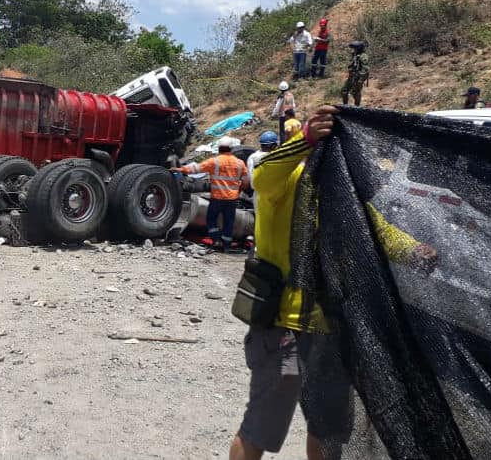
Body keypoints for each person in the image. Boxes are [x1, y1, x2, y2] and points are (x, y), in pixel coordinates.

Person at [229, 106, 438, 460]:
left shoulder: (341, 191)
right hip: (283, 325)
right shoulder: (284, 180)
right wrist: (305, 139)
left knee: (328, 427)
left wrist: (414, 250)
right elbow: (263, 176)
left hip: (330, 327)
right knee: (261, 427)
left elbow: (377, 231)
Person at [172, 136, 248, 252]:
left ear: (219, 148)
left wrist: (181, 169)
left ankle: (216, 240)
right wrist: (239, 191)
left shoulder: (214, 161)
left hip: (217, 197)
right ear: (232, 148)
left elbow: (197, 168)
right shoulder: (240, 163)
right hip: (232, 198)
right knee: (229, 221)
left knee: (211, 219)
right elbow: (246, 181)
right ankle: (226, 244)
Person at [341, 41, 369, 106]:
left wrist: (361, 79)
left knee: (356, 92)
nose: (353, 50)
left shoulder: (363, 56)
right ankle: (345, 105)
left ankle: (357, 106)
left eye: (355, 48)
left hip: (358, 77)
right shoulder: (355, 55)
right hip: (352, 76)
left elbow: (366, 68)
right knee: (344, 91)